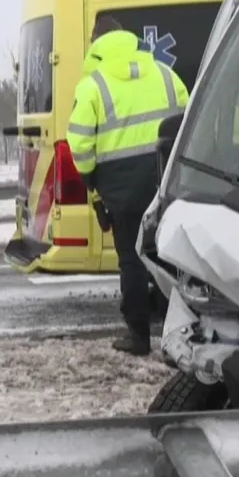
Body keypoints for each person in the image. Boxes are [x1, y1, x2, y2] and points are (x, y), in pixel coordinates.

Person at [66, 21, 189, 355]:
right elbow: (189, 119)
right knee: (171, 257)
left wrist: (92, 183)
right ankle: (179, 332)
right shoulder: (165, 74)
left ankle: (138, 335)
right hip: (165, 179)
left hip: (120, 186)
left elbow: (78, 144)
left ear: (96, 44)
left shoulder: (93, 85)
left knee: (132, 260)